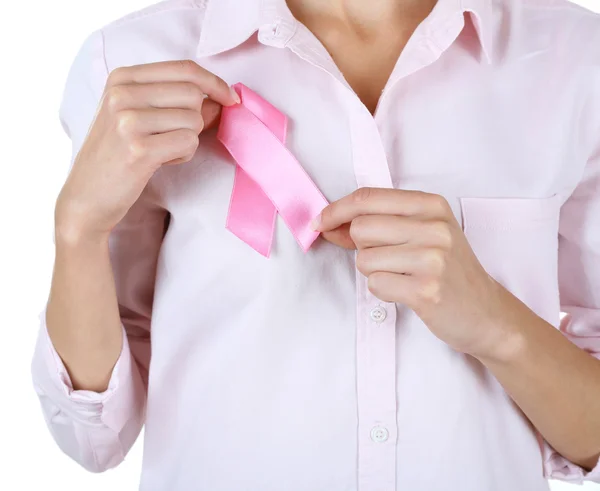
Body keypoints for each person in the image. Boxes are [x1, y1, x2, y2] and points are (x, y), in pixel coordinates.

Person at [31, 0, 600, 489]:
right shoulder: (135, 60)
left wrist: (496, 323)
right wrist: (78, 227)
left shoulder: (574, 62)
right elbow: (93, 438)